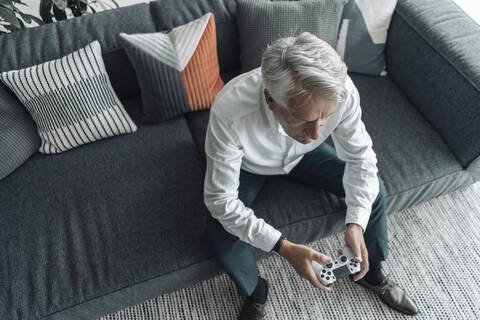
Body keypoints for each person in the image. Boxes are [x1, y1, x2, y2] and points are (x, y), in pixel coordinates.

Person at [203, 32, 418, 320]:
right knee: (219, 233)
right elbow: (220, 200)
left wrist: (356, 223)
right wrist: (284, 247)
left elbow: (361, 159)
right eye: (303, 119)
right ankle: (255, 292)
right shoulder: (229, 110)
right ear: (270, 98)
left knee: (374, 189)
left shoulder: (341, 92)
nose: (316, 133)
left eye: (325, 117)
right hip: (249, 166)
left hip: (305, 158)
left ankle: (373, 273)